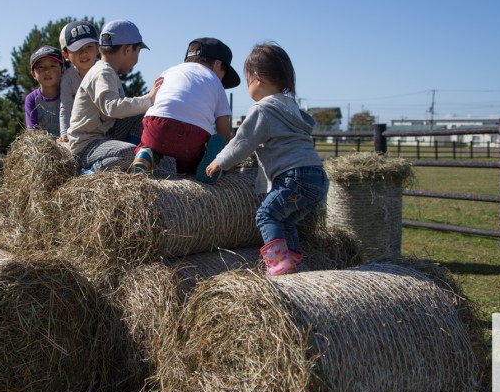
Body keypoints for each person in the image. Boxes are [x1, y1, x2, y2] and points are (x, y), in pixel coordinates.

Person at [205, 42, 328, 275]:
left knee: (266, 214)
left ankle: (278, 266)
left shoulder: (263, 109)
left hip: (294, 177)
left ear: (257, 77)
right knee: (286, 221)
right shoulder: (291, 107)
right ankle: (290, 264)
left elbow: (243, 142)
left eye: (247, 80)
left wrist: (220, 161)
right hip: (317, 178)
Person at [129, 37, 239, 183]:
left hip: (157, 125)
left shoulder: (169, 71)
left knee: (150, 144)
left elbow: (155, 102)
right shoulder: (216, 84)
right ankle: (204, 166)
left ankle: (146, 153)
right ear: (218, 64)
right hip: (193, 135)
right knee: (190, 164)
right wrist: (228, 168)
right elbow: (223, 131)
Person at [67, 19, 162, 172]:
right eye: (137, 52)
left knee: (143, 113)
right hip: (86, 146)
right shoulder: (102, 72)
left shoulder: (107, 72)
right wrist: (148, 99)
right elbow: (111, 107)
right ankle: (88, 173)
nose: (137, 59)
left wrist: (148, 104)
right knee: (130, 154)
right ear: (127, 50)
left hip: (104, 140)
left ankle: (132, 157)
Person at [57, 20, 100, 141]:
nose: (84, 53)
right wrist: (65, 134)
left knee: (138, 116)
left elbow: (119, 99)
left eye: (89, 46)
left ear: (98, 47)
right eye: (77, 49)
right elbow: (66, 108)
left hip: (108, 128)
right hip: (83, 133)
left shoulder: (105, 71)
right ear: (65, 55)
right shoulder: (68, 78)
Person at [25, 45, 64, 136]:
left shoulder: (69, 93)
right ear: (33, 74)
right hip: (45, 148)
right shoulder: (32, 99)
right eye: (40, 67)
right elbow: (33, 131)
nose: (47, 71)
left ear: (62, 69)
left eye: (52, 65)